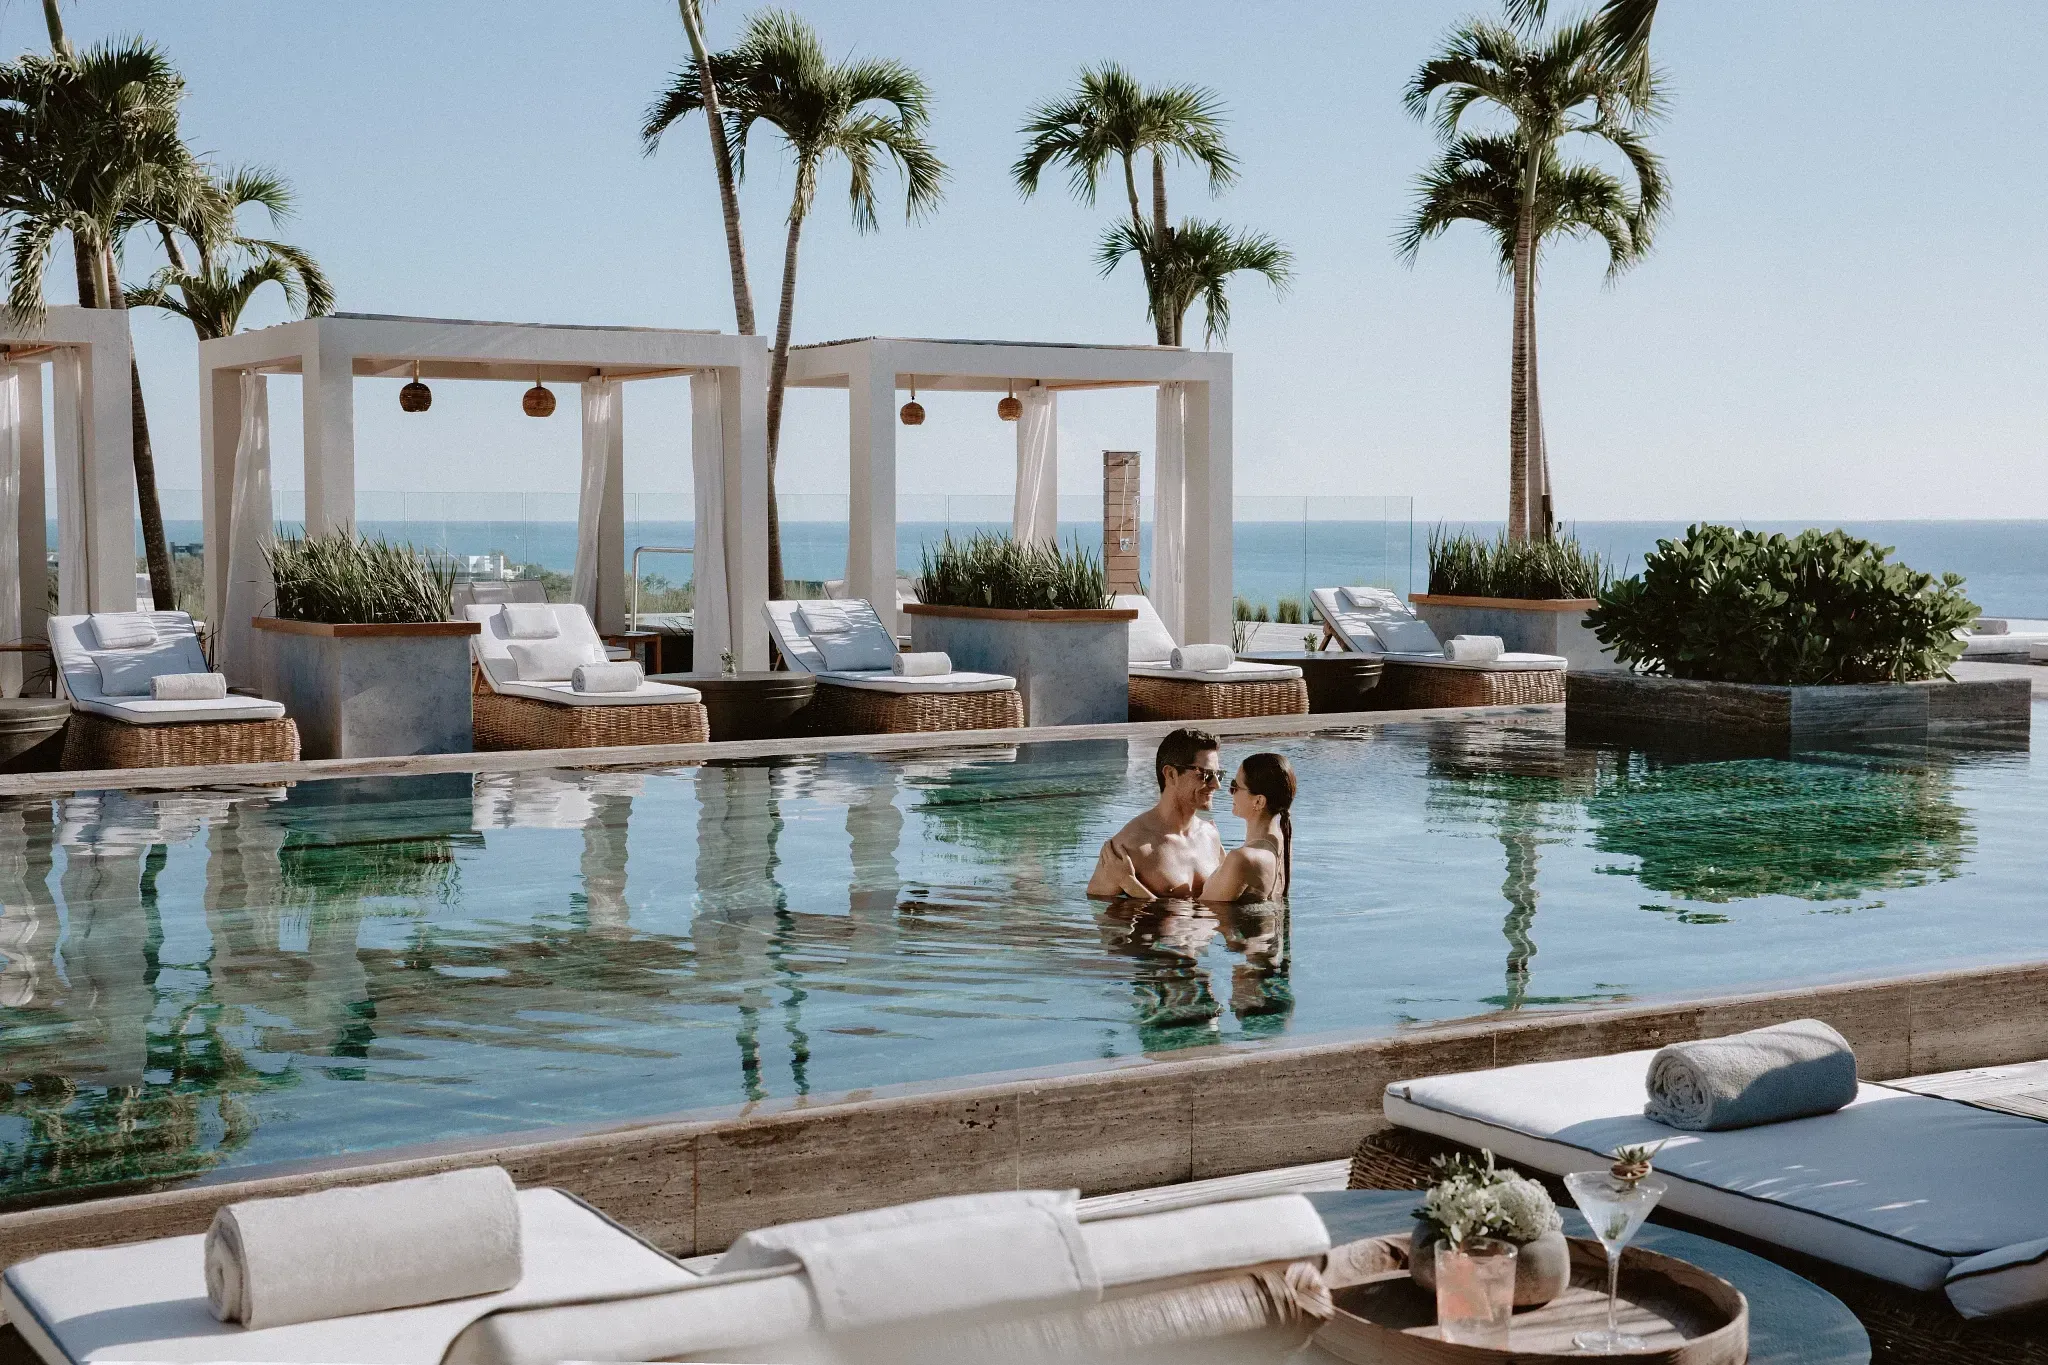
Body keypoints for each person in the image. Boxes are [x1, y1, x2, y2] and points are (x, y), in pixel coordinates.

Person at [1087, 728, 1225, 900]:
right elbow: (1103, 919)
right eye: (1205, 775)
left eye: (1218, 774)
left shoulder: (1210, 836)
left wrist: (1131, 885)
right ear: (1171, 774)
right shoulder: (1129, 847)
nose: (1216, 785)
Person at [1200, 752, 1294, 903]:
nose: (1230, 792)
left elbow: (1202, 915)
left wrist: (1147, 894)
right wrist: (1218, 850)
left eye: (1235, 786)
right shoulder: (1282, 842)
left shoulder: (1241, 859)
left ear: (1258, 801)